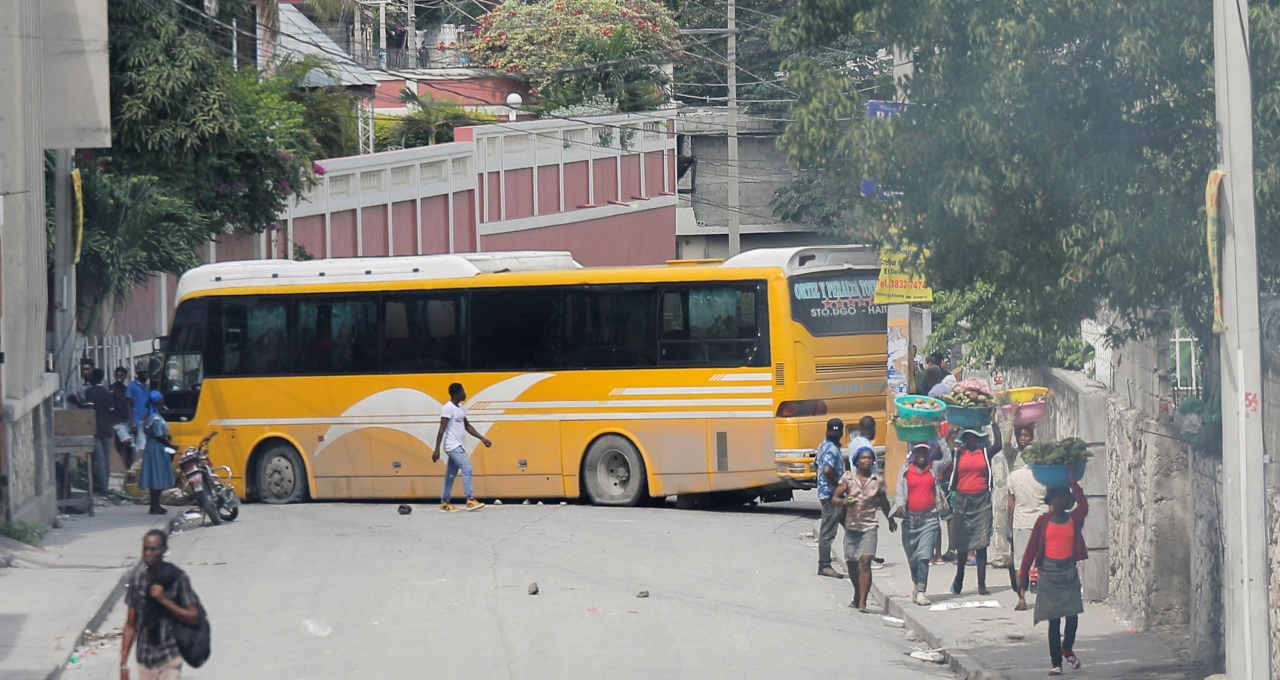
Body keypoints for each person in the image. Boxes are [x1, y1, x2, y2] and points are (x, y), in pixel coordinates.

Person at [1018, 481, 1088, 675]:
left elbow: (1084, 506)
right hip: (1048, 574)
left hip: (1068, 573)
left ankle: (1067, 647)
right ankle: (1056, 662)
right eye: (1055, 498)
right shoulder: (1043, 521)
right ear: (1050, 501)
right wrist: (1022, 577)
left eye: (1062, 498)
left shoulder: (1074, 519)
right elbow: (1031, 550)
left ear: (1067, 501)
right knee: (1054, 620)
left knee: (1072, 616)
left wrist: (1073, 483)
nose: (1058, 501)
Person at [121, 529, 200, 680]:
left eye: (153, 549)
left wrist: (164, 600)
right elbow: (130, 624)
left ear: (164, 550)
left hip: (169, 655)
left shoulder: (178, 578)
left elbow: (194, 616)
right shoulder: (137, 580)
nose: (148, 553)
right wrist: (123, 663)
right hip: (145, 658)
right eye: (145, 549)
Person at [834, 445, 895, 611]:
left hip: (869, 526)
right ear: (857, 461)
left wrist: (891, 519)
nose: (866, 461)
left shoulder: (877, 481)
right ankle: (857, 593)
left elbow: (884, 502)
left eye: (869, 458)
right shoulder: (848, 478)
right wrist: (845, 501)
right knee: (852, 564)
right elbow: (835, 497)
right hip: (851, 527)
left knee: (865, 561)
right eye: (863, 458)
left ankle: (863, 602)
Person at [892, 442, 951, 605]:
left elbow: (948, 458)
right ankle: (916, 583)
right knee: (913, 559)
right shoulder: (905, 470)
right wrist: (900, 506)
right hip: (910, 521)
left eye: (925, 451)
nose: (922, 455)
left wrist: (940, 437)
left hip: (930, 519)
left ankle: (921, 591)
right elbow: (899, 492)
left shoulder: (934, 468)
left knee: (924, 557)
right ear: (913, 453)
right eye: (918, 451)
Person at [949, 422, 1003, 595]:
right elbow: (944, 449)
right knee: (962, 545)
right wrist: (950, 431)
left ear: (978, 438)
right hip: (962, 501)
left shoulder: (985, 453)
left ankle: (981, 584)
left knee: (981, 544)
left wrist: (995, 424)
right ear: (964, 439)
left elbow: (999, 445)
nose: (971, 440)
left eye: (974, 437)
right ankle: (959, 579)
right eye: (968, 437)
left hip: (982, 501)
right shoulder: (958, 453)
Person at [432, 382, 492, 512]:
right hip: (452, 445)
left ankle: (445, 503)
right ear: (456, 393)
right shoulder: (447, 408)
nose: (465, 393)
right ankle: (470, 499)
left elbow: (467, 426)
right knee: (467, 468)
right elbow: (441, 429)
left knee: (450, 475)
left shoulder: (460, 407)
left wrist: (482, 438)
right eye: (463, 391)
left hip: (458, 445)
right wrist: (436, 449)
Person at [1009, 453, 1048, 610]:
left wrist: (1010, 525)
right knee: (1043, 561)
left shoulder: (1014, 476)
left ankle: (1022, 599)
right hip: (1041, 521)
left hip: (1021, 522)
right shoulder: (1046, 476)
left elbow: (1011, 504)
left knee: (1020, 563)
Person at [814, 417, 846, 579]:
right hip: (831, 495)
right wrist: (838, 486)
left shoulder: (823, 445)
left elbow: (816, 465)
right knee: (828, 531)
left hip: (826, 492)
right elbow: (827, 470)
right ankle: (824, 565)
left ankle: (860, 558)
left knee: (852, 524)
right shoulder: (832, 449)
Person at [139, 392, 174, 515]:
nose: (163, 403)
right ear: (157, 402)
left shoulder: (150, 416)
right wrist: (170, 446)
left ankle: (155, 505)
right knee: (157, 476)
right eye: (161, 401)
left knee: (155, 476)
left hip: (153, 448)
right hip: (157, 449)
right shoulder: (155, 418)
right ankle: (155, 506)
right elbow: (159, 436)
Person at [83, 368, 114, 495]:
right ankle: (105, 485)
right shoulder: (107, 393)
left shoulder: (90, 392)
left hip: (95, 429)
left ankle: (102, 488)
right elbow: (112, 411)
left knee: (99, 459)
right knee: (106, 459)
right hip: (107, 429)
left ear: (93, 378)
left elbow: (88, 411)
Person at [110, 367, 137, 470]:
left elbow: (131, 406)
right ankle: (128, 468)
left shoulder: (127, 390)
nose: (119, 377)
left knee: (128, 447)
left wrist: (132, 422)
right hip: (117, 422)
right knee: (127, 442)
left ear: (125, 376)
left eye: (121, 375)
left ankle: (129, 468)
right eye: (117, 375)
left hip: (127, 421)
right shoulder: (111, 389)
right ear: (114, 376)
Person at [127, 363, 151, 452]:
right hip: (137, 420)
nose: (145, 375)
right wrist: (132, 422)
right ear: (138, 373)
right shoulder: (132, 386)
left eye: (146, 372)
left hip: (147, 421)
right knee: (140, 446)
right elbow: (129, 404)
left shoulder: (148, 386)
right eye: (143, 372)